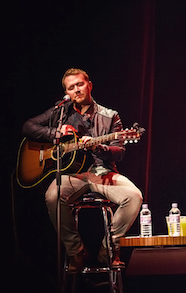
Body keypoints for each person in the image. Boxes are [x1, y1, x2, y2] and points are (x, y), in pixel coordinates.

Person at [22, 68, 143, 272]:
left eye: (80, 84)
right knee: (53, 196)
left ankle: (108, 250)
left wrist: (98, 147)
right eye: (71, 88)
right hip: (72, 174)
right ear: (66, 93)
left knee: (134, 196)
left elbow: (119, 152)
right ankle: (76, 252)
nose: (76, 90)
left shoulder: (110, 115)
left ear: (89, 85)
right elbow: (28, 127)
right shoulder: (60, 112)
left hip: (102, 171)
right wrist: (55, 132)